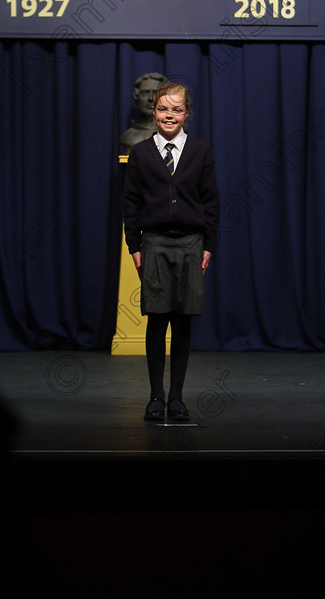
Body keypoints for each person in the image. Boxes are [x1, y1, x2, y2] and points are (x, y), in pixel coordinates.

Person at [123, 82, 220, 422]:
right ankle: (154, 397)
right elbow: (131, 202)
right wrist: (134, 245)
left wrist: (209, 244)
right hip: (154, 243)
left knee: (182, 323)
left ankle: (176, 398)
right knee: (157, 320)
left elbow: (211, 202)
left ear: (186, 114)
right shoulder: (141, 152)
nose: (169, 115)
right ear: (154, 112)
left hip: (192, 244)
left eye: (176, 110)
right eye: (163, 109)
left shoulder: (200, 151)